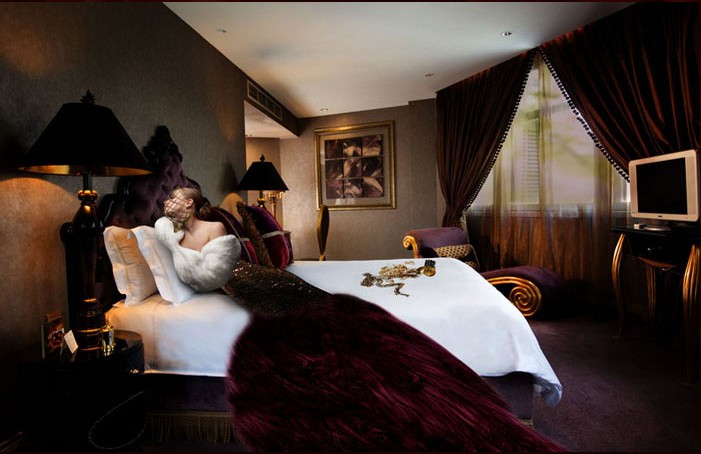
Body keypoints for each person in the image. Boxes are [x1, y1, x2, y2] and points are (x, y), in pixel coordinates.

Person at [157, 187, 565, 452]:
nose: (172, 203)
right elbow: (202, 274)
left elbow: (211, 269)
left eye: (177, 198)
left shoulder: (213, 226)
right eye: (169, 199)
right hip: (245, 285)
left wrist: (174, 245)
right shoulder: (176, 233)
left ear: (191, 203)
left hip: (262, 282)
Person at [156, 187, 241, 292]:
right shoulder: (172, 237)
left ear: (188, 202)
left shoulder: (215, 228)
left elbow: (217, 276)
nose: (165, 202)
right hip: (199, 294)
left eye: (172, 198)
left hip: (234, 288)